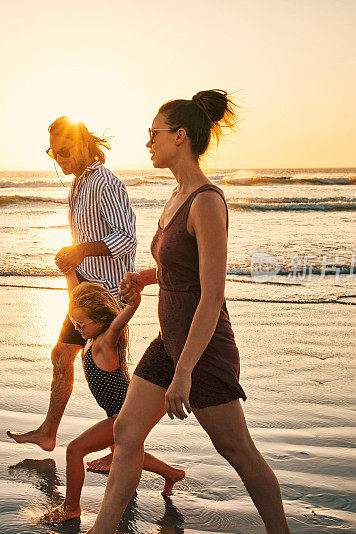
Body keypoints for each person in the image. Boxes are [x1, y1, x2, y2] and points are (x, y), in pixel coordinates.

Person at [86, 91, 290, 533]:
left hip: (204, 346)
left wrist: (184, 374)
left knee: (237, 450)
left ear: (179, 136)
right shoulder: (176, 195)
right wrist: (146, 276)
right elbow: (180, 272)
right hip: (169, 341)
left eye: (153, 134)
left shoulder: (206, 201)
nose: (148, 143)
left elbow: (211, 295)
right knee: (126, 433)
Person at [7, 117, 138, 468]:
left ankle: (120, 448)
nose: (59, 159)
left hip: (108, 296)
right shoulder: (80, 183)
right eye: (53, 152)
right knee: (62, 356)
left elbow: (126, 239)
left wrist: (80, 251)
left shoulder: (104, 183)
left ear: (82, 145)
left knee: (110, 370)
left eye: (64, 151)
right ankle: (49, 432)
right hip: (85, 290)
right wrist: (73, 266)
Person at [40, 278, 184, 523]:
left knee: (75, 450)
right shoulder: (90, 337)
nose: (76, 328)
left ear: (101, 321)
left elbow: (117, 325)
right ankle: (172, 473)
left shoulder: (106, 340)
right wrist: (70, 272)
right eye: (74, 322)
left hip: (124, 416)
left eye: (81, 324)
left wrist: (132, 305)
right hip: (116, 414)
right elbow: (76, 296)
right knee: (125, 453)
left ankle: (71, 507)